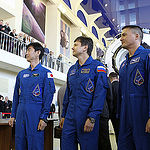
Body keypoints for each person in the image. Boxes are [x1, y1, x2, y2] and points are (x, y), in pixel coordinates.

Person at [60, 36, 108, 150]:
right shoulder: (72, 69)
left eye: (76, 45)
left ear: (85, 48)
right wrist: (63, 115)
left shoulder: (98, 67)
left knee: (88, 146)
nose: (72, 47)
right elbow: (68, 95)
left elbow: (100, 95)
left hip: (86, 115)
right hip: (70, 116)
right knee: (66, 146)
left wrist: (92, 117)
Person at [8, 42, 55, 150]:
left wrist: (44, 118)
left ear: (38, 52)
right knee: (19, 142)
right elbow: (16, 96)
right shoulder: (21, 74)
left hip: (35, 113)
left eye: (29, 50)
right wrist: (13, 115)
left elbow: (48, 98)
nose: (26, 52)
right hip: (20, 112)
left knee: (35, 143)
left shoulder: (46, 73)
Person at [118, 25, 150, 150]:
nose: (121, 38)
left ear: (137, 36)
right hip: (125, 115)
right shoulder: (123, 64)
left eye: (124, 35)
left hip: (142, 113)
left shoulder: (146, 56)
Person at [109, 72, 120, 144]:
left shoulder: (110, 86)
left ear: (110, 78)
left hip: (114, 114)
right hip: (124, 114)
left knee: (117, 133)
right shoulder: (123, 85)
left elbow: (110, 101)